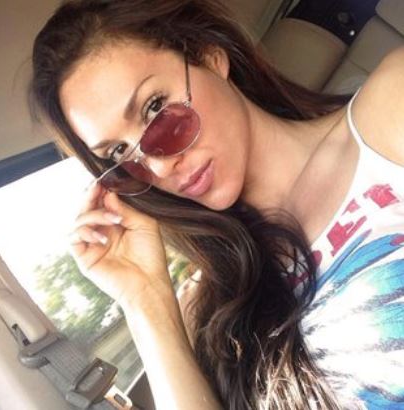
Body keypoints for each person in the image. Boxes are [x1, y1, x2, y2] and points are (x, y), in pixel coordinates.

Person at [29, 0, 404, 409]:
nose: (158, 165)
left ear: (210, 57)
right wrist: (145, 300)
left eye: (155, 108)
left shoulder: (390, 108)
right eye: (120, 153)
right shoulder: (207, 309)